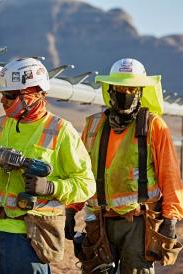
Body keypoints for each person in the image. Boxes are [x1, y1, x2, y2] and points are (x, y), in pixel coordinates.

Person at [0, 57, 96, 274]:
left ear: (32, 95)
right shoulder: (0, 125)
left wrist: (51, 188)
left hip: (27, 239)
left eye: (9, 96)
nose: (3, 102)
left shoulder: (61, 131)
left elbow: (86, 185)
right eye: (2, 95)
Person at [65, 58, 183, 273]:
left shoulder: (153, 125)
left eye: (131, 88)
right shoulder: (93, 125)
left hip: (139, 223)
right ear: (109, 90)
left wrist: (170, 219)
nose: (125, 93)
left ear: (140, 92)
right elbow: (82, 172)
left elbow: (170, 176)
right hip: (99, 220)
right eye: (120, 87)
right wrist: (72, 210)